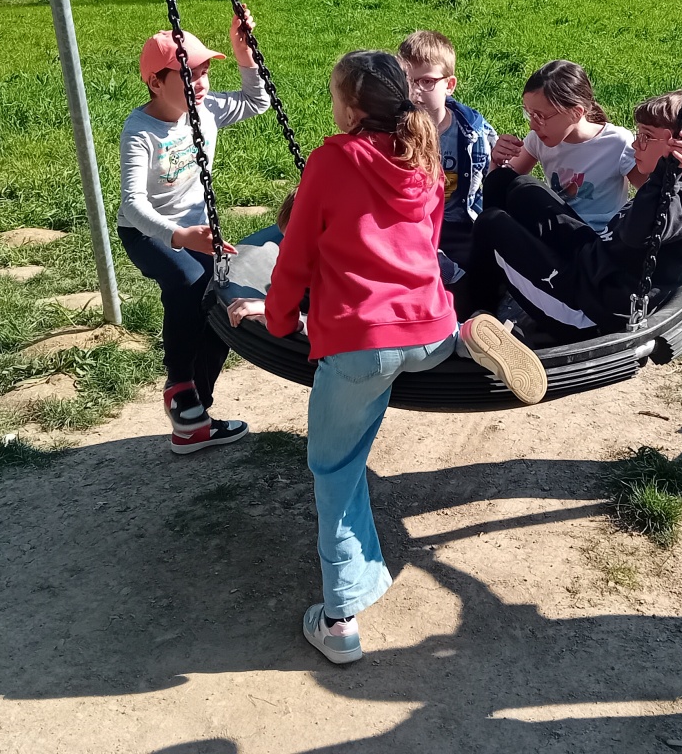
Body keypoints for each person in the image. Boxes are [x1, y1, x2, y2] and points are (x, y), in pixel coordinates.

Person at [226, 51, 546, 665]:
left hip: (362, 346)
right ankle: (468, 334)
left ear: (350, 108)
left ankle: (340, 620)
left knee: (336, 470)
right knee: (424, 343)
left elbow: (295, 256)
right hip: (427, 329)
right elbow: (426, 243)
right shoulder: (422, 156)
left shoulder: (331, 160)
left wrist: (280, 319)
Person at [461, 96, 682, 342]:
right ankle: (500, 281)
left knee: (491, 224)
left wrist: (663, 174)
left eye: (646, 136)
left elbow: (638, 233)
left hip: (587, 310)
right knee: (516, 186)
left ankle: (475, 316)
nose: (635, 144)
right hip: (595, 263)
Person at [117, 16, 269, 454]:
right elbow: (133, 205)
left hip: (198, 231)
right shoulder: (141, 131)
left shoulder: (207, 109)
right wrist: (181, 235)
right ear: (155, 82)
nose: (200, 83)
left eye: (203, 72)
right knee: (188, 279)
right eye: (188, 75)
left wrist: (243, 56)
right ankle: (179, 383)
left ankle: (195, 414)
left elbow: (258, 101)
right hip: (149, 233)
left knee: (221, 298)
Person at [397, 30, 498, 314]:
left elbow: (493, 176)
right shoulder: (395, 132)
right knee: (428, 272)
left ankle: (483, 317)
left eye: (427, 81)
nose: (416, 92)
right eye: (408, 81)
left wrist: (501, 159)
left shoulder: (471, 131)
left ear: (449, 85)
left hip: (460, 223)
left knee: (484, 269)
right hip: (414, 227)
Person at [491, 60, 635, 235]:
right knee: (498, 204)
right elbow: (500, 188)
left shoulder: (616, 142)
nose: (532, 125)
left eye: (540, 116)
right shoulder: (539, 139)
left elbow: (651, 195)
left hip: (600, 239)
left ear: (576, 113)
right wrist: (497, 161)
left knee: (526, 187)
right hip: (558, 235)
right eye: (529, 114)